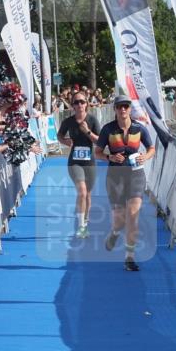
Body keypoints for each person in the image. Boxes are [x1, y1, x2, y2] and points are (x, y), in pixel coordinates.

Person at [94, 95, 155, 272]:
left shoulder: (139, 128)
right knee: (120, 220)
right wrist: (109, 157)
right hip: (115, 176)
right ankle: (114, 233)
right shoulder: (108, 129)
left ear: (129, 109)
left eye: (126, 106)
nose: (123, 109)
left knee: (133, 215)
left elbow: (151, 148)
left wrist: (145, 156)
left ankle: (129, 257)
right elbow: (97, 152)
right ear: (115, 109)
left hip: (136, 175)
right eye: (119, 106)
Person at [57, 91, 101, 239]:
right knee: (82, 192)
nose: (80, 104)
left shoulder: (92, 120)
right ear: (73, 105)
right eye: (76, 102)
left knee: (88, 194)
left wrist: (87, 131)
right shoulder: (68, 122)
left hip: (90, 162)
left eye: (82, 101)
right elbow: (59, 135)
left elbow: (99, 141)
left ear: (86, 104)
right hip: (74, 162)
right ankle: (81, 227)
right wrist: (65, 141)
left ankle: (85, 222)